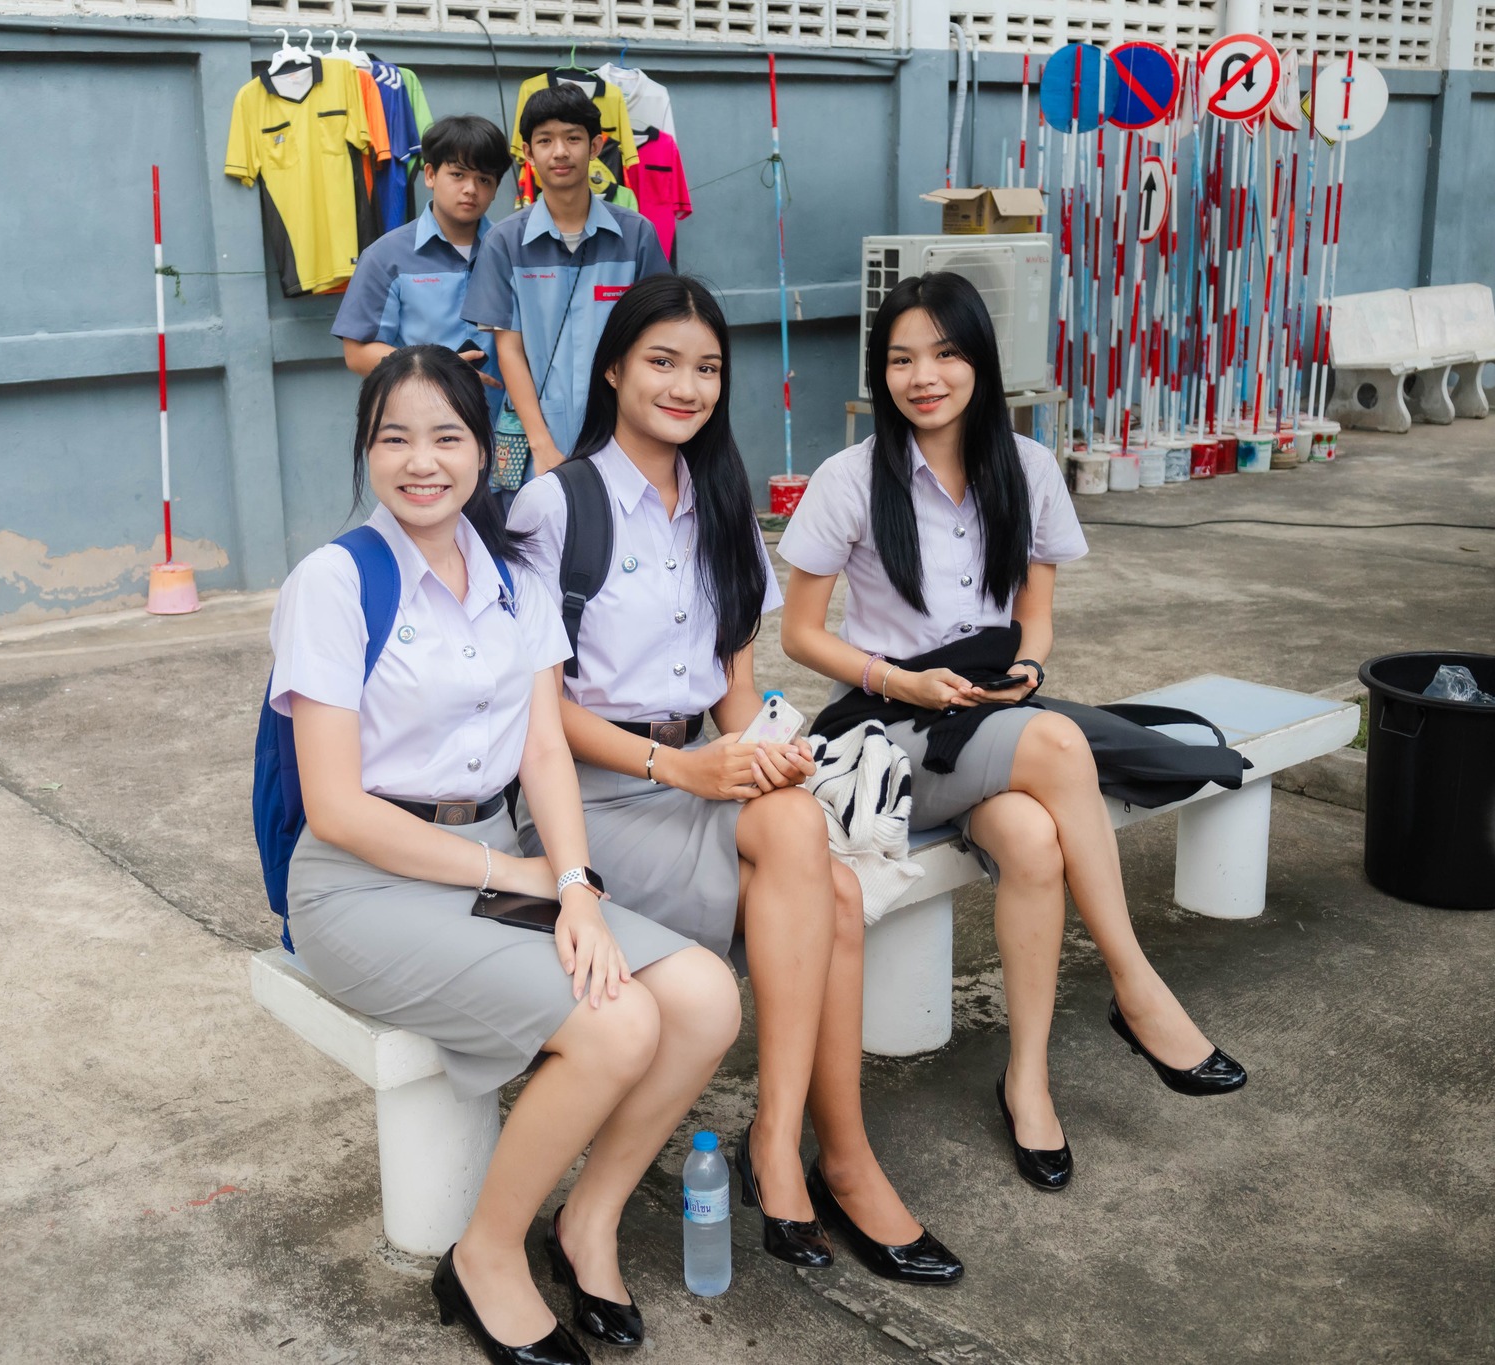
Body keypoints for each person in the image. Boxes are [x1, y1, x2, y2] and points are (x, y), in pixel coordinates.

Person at [275, 345, 739, 1364]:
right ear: (366, 451)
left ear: (484, 454)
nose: (419, 460)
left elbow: (541, 752)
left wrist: (573, 885)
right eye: (392, 436)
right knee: (618, 1028)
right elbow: (336, 808)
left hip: (497, 854)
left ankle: (587, 1221)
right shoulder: (334, 582)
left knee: (703, 997)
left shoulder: (514, 583)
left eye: (446, 436)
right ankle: (484, 1256)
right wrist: (516, 875)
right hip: (361, 886)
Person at [507, 276, 964, 1286]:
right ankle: (809, 1155)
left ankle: (791, 1142)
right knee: (829, 893)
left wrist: (764, 748)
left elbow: (735, 685)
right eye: (662, 362)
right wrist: (686, 767)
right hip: (587, 798)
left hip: (696, 775)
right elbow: (536, 715)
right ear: (614, 367)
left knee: (801, 833)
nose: (686, 385)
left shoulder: (719, 497)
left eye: (706, 367)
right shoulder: (557, 503)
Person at [777, 273, 1247, 1193]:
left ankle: (1028, 1079)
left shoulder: (1025, 467)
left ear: (980, 362)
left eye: (947, 353)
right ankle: (1136, 988)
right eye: (903, 357)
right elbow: (798, 634)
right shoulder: (848, 480)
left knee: (1034, 840)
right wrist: (900, 676)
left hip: (993, 711)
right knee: (1062, 747)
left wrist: (1027, 668)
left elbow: (1037, 617)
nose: (925, 375)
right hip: (890, 726)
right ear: (883, 372)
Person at [463, 84, 671, 489]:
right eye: (545, 140)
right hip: (536, 444)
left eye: (573, 138)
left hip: (622, 440)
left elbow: (659, 341)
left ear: (595, 145)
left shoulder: (636, 235)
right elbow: (509, 349)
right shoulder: (505, 242)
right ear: (528, 153)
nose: (560, 152)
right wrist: (542, 447)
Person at [332, 115, 512, 386]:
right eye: (458, 174)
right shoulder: (385, 257)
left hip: (505, 422)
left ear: (496, 188)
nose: (470, 189)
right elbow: (357, 354)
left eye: (484, 180)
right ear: (430, 175)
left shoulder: (511, 252)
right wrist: (438, 369)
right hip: (421, 419)